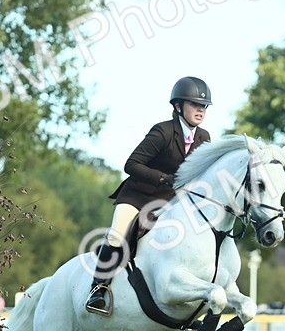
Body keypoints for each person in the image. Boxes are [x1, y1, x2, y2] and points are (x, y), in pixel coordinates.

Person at [85, 76, 213, 316]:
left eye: (204, 106)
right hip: (138, 195)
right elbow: (131, 164)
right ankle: (98, 289)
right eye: (195, 104)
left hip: (170, 202)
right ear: (178, 106)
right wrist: (163, 178)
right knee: (117, 234)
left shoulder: (204, 138)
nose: (200, 110)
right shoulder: (163, 132)